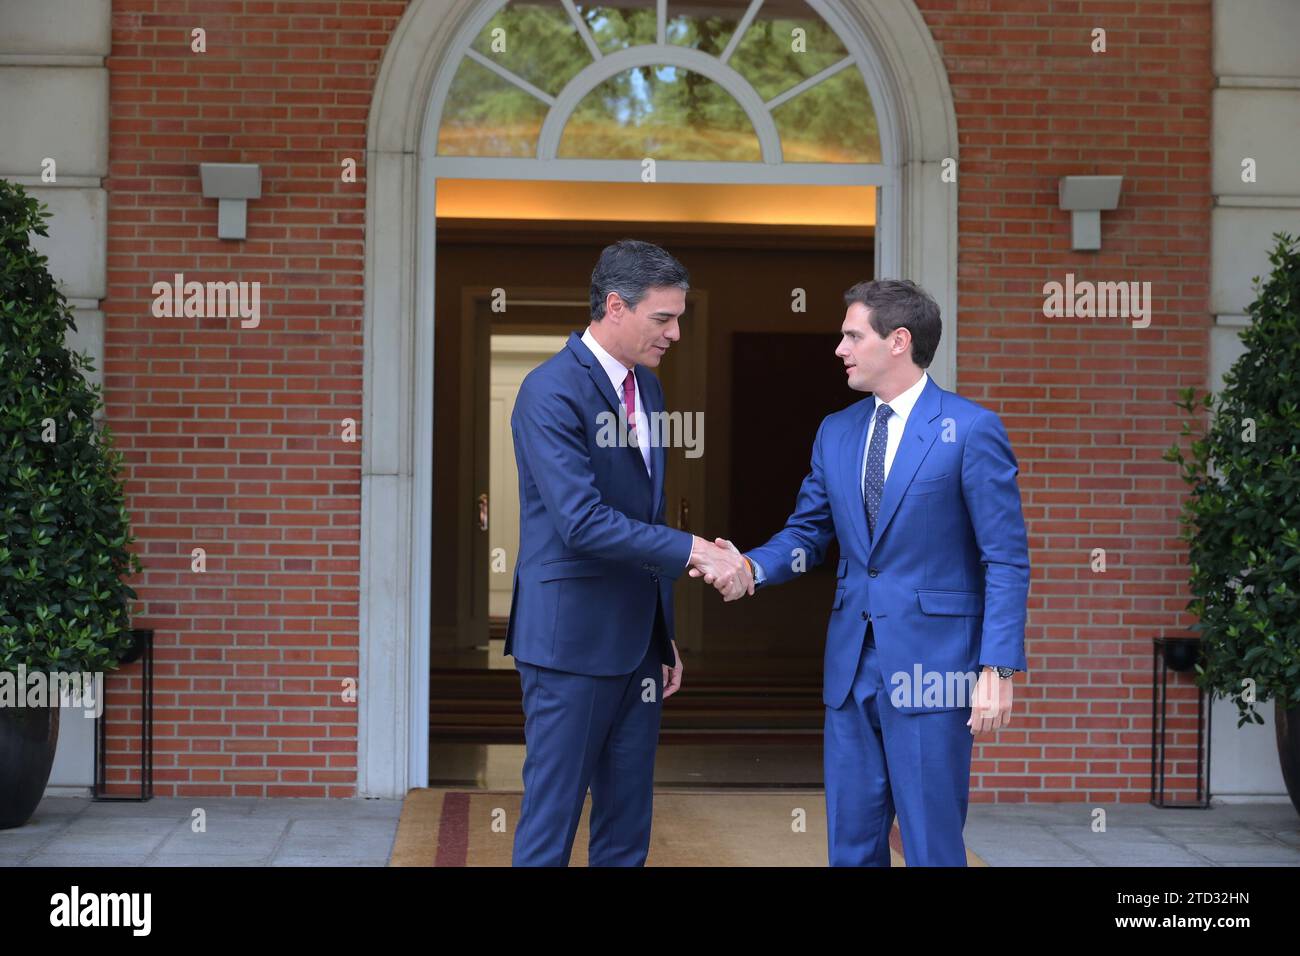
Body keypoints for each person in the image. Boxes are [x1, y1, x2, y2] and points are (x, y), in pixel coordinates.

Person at [700, 278, 1029, 866]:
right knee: (851, 848)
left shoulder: (971, 429)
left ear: (898, 341)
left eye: (853, 335)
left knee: (931, 847)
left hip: (936, 672)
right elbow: (808, 532)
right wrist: (749, 567)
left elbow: (1004, 557)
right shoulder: (837, 430)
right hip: (851, 671)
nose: (840, 348)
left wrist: (997, 666)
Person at [505, 238, 750, 866]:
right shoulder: (550, 390)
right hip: (569, 646)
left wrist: (660, 632)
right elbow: (583, 523)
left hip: (638, 645)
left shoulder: (651, 390)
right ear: (615, 306)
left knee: (627, 825)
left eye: (678, 320)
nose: (673, 334)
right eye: (662, 319)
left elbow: (643, 516)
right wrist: (697, 550)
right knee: (551, 823)